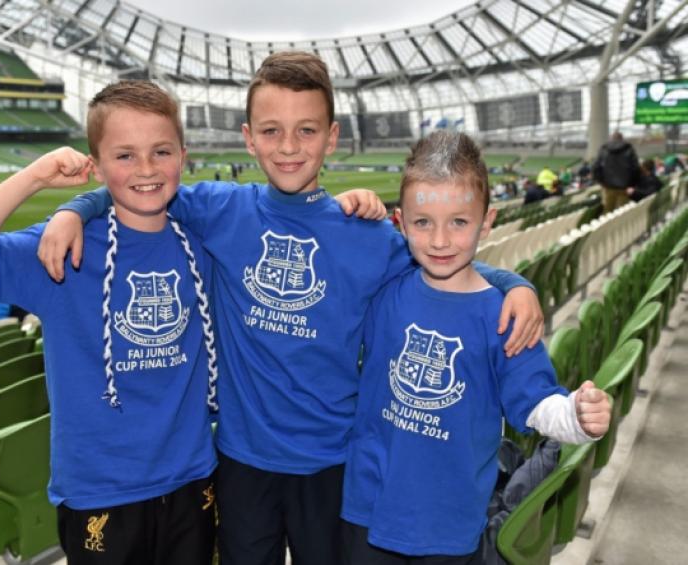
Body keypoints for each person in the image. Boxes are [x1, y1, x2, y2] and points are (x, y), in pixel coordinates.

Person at [38, 52, 545, 565]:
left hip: (330, 463)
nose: (288, 147)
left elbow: (443, 266)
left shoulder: (366, 235)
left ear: (331, 137)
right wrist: (75, 207)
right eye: (272, 130)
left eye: (306, 131)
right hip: (241, 460)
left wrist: (512, 283)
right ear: (249, 137)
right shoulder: (221, 209)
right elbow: (143, 186)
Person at [0, 81, 219, 565]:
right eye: (124, 156)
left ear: (183, 156)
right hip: (100, 492)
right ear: (96, 163)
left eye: (161, 151)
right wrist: (39, 177)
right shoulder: (64, 247)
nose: (146, 169)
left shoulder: (206, 238)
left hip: (193, 479)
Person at [341, 132, 610, 564]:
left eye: (459, 222)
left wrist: (577, 416)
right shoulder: (384, 287)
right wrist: (348, 206)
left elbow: (538, 402)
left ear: (487, 222)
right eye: (423, 222)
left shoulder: (502, 316)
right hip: (367, 508)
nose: (440, 240)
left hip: (449, 522)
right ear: (400, 222)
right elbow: (334, 246)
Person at [592, 132, 640, 212]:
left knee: (607, 212)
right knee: (623, 212)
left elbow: (596, 168)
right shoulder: (629, 149)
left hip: (608, 187)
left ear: (611, 138)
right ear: (622, 139)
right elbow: (635, 168)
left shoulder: (604, 149)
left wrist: (602, 182)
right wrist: (632, 184)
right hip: (624, 187)